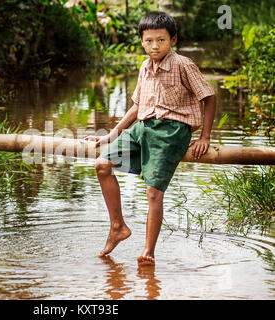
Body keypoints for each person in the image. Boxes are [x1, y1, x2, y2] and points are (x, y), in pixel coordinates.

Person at [84, 11, 216, 266]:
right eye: (149, 41)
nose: (154, 46)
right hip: (143, 127)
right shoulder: (145, 66)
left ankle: (148, 251)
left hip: (171, 132)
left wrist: (205, 137)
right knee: (101, 165)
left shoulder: (183, 65)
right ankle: (118, 226)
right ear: (142, 42)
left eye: (161, 40)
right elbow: (137, 106)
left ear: (173, 40)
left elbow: (209, 97)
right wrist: (114, 133)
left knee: (154, 192)